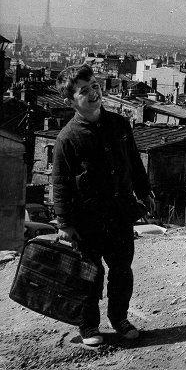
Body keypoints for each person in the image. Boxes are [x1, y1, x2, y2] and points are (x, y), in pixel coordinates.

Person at [53, 64, 155, 346]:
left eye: (95, 86)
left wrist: (144, 191)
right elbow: (60, 184)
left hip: (120, 214)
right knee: (91, 274)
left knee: (122, 269)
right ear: (70, 101)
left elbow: (134, 163)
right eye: (84, 91)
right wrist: (64, 223)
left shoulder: (119, 125)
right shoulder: (67, 138)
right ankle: (88, 325)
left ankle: (119, 318)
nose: (94, 93)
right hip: (88, 220)